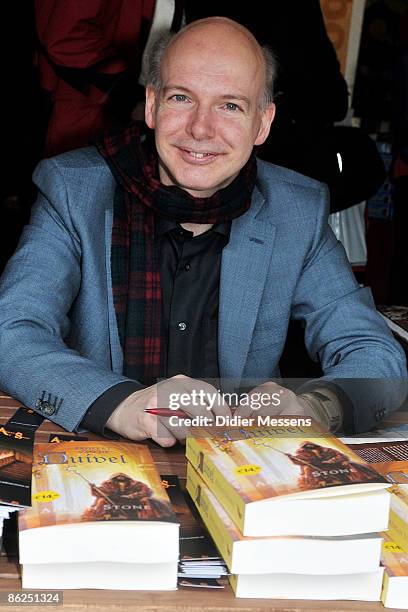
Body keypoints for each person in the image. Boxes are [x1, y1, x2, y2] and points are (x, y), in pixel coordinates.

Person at [0, 18, 406, 446]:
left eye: (230, 105)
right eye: (182, 98)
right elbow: (12, 330)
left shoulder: (296, 209)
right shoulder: (74, 190)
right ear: (152, 105)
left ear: (263, 123)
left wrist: (314, 406)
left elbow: (373, 352)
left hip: (245, 466)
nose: (200, 129)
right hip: (103, 457)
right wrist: (121, 404)